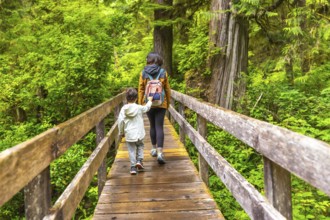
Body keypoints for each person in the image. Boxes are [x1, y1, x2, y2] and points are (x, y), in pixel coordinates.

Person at [138, 52, 171, 164]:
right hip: (161, 103)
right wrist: (168, 103)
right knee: (159, 126)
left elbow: (141, 89)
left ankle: (153, 149)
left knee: (152, 125)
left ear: (149, 60)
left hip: (148, 103)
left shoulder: (143, 73)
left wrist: (140, 104)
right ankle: (160, 153)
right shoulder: (163, 72)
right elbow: (167, 89)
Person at [118, 88, 153, 175]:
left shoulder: (123, 109)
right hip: (139, 133)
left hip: (129, 134)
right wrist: (150, 101)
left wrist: (121, 132)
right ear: (136, 98)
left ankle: (133, 167)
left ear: (126, 98)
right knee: (140, 145)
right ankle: (139, 160)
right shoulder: (139, 107)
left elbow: (120, 121)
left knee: (131, 150)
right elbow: (147, 108)